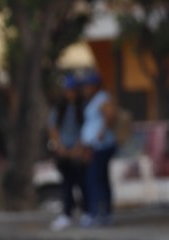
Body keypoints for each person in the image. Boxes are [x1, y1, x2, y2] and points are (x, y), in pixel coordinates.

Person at [47, 74, 86, 231]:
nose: (70, 93)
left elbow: (85, 129)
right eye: (67, 90)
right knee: (66, 184)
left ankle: (86, 211)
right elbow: (52, 128)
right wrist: (60, 147)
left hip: (78, 151)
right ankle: (66, 214)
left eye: (72, 90)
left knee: (83, 184)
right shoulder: (60, 108)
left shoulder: (81, 107)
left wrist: (78, 148)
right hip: (63, 152)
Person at [77, 72, 117, 227]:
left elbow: (110, 114)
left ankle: (97, 213)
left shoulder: (102, 97)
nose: (86, 89)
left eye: (88, 85)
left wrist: (101, 132)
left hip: (100, 146)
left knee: (94, 179)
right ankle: (103, 212)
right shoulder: (94, 100)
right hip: (94, 145)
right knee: (99, 179)